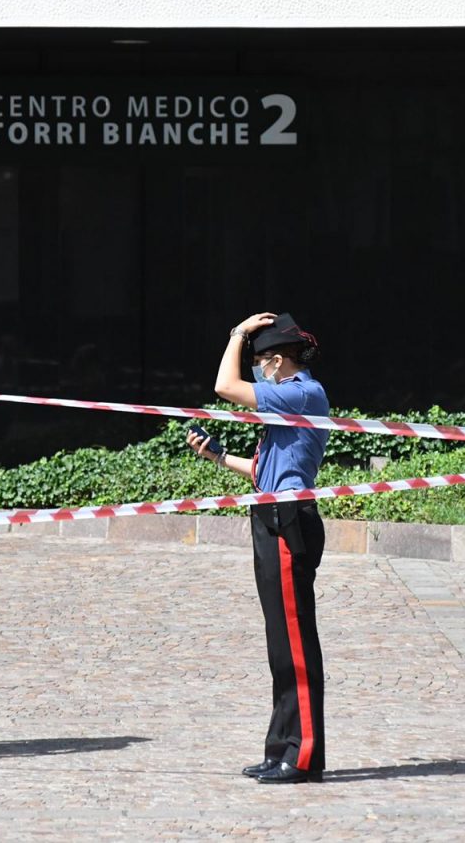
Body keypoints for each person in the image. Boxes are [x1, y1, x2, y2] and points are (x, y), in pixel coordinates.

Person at [186, 312, 328, 784]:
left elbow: (225, 386)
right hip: (269, 516)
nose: (259, 369)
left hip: (290, 522)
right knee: (279, 645)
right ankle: (280, 746)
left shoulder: (303, 392)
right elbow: (265, 471)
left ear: (282, 360)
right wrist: (217, 455)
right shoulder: (285, 402)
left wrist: (236, 335)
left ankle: (303, 754)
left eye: (264, 360)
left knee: (295, 642)